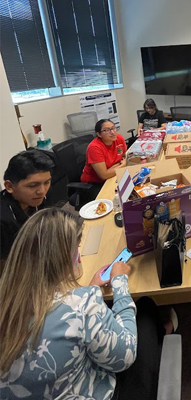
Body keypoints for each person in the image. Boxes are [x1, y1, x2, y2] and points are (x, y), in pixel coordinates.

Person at [0, 208, 175, 400]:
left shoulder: (7, 301)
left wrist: (91, 289)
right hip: (101, 392)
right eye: (77, 250)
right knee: (146, 308)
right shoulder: (80, 304)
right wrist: (119, 283)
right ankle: (165, 332)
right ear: (64, 258)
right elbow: (125, 357)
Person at [0, 149, 53, 267]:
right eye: (33, 185)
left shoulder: (38, 198)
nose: (42, 191)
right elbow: (7, 268)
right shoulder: (3, 220)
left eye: (47, 182)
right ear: (9, 186)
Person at [81, 119, 127, 199]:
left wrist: (114, 168)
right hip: (95, 183)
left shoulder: (119, 138)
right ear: (99, 134)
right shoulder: (94, 147)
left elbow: (124, 157)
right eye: (107, 130)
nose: (112, 132)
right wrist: (122, 165)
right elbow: (104, 175)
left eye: (113, 128)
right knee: (117, 199)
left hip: (113, 175)